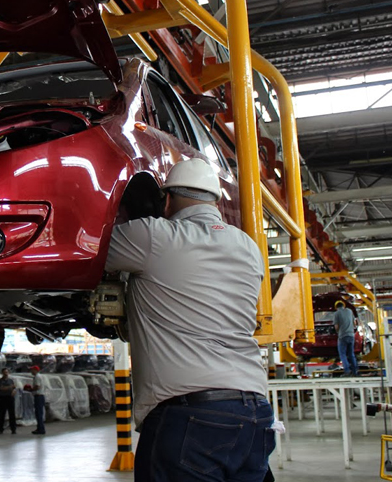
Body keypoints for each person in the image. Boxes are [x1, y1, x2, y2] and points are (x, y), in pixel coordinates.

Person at [106, 158, 274, 482]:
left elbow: (87, 249)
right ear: (215, 201)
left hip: (190, 417)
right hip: (255, 414)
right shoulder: (249, 249)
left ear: (166, 200)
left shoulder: (154, 237)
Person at [333, 300, 359, 377]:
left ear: (336, 307)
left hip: (342, 336)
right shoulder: (350, 311)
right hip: (351, 335)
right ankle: (355, 371)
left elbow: (336, 326)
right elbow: (355, 323)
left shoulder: (337, 313)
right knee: (351, 354)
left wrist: (338, 332)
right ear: (343, 305)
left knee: (343, 354)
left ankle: (347, 371)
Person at [0, 367, 17, 434]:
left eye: (7, 372)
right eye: (4, 372)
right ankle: (0, 429)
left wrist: (13, 391)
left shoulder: (11, 380)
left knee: (12, 414)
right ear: (2, 373)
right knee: (2, 414)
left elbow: (14, 387)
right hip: (3, 398)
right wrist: (10, 387)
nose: (6, 374)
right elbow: (2, 388)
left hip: (10, 397)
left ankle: (13, 429)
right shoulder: (0, 380)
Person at [30, 365, 46, 434]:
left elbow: (37, 386)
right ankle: (40, 428)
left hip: (38, 396)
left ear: (35, 370)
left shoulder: (37, 377)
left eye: (32, 370)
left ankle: (41, 429)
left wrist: (30, 389)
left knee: (38, 413)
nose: (31, 371)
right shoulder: (40, 376)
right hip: (40, 396)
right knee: (39, 413)